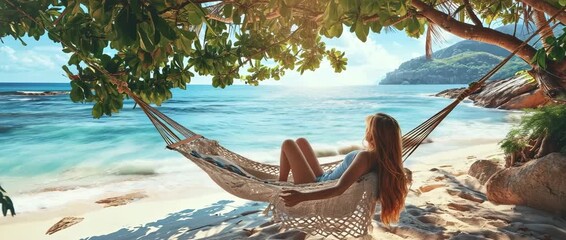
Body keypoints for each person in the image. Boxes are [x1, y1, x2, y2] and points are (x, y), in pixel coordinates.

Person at [278, 113, 409, 224]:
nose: (366, 131)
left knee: (288, 143)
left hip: (316, 185)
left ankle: (279, 185)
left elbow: (338, 189)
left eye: (368, 129)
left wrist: (302, 196)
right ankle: (281, 182)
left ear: (373, 135)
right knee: (301, 141)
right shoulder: (382, 159)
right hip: (324, 178)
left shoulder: (365, 157)